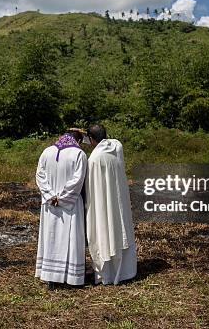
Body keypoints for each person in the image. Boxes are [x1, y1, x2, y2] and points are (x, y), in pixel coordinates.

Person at [35, 128, 87, 289]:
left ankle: (51, 277)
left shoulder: (47, 152)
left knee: (50, 237)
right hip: (70, 204)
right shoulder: (79, 154)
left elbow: (40, 176)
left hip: (51, 204)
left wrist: (51, 196)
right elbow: (78, 180)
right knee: (70, 238)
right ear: (78, 140)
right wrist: (63, 198)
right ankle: (70, 277)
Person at [85, 124, 137, 285]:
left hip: (101, 203)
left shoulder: (94, 159)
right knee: (119, 230)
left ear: (91, 139)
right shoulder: (116, 147)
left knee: (103, 232)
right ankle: (125, 271)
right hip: (118, 201)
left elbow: (90, 187)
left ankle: (106, 274)